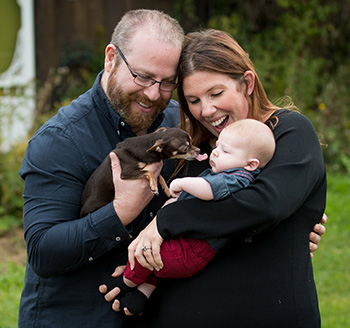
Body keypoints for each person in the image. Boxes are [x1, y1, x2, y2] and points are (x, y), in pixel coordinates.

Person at [103, 29, 327, 328]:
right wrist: (140, 282)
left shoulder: (288, 132)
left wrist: (167, 222)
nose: (207, 110)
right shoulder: (192, 153)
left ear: (246, 83)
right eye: (193, 100)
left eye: (216, 93)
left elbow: (264, 205)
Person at [18, 9, 184, 328]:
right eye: (143, 76)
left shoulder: (179, 123)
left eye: (167, 82)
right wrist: (120, 211)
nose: (153, 94)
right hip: (75, 318)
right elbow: (43, 251)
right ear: (111, 58)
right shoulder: (60, 141)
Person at [105, 119, 276, 315]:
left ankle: (126, 280)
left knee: (150, 254)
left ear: (251, 164)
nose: (216, 152)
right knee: (158, 263)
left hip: (190, 250)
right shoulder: (233, 173)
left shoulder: (236, 178)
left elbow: (209, 189)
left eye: (226, 151)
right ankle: (143, 293)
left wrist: (182, 183)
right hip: (190, 251)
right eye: (218, 145)